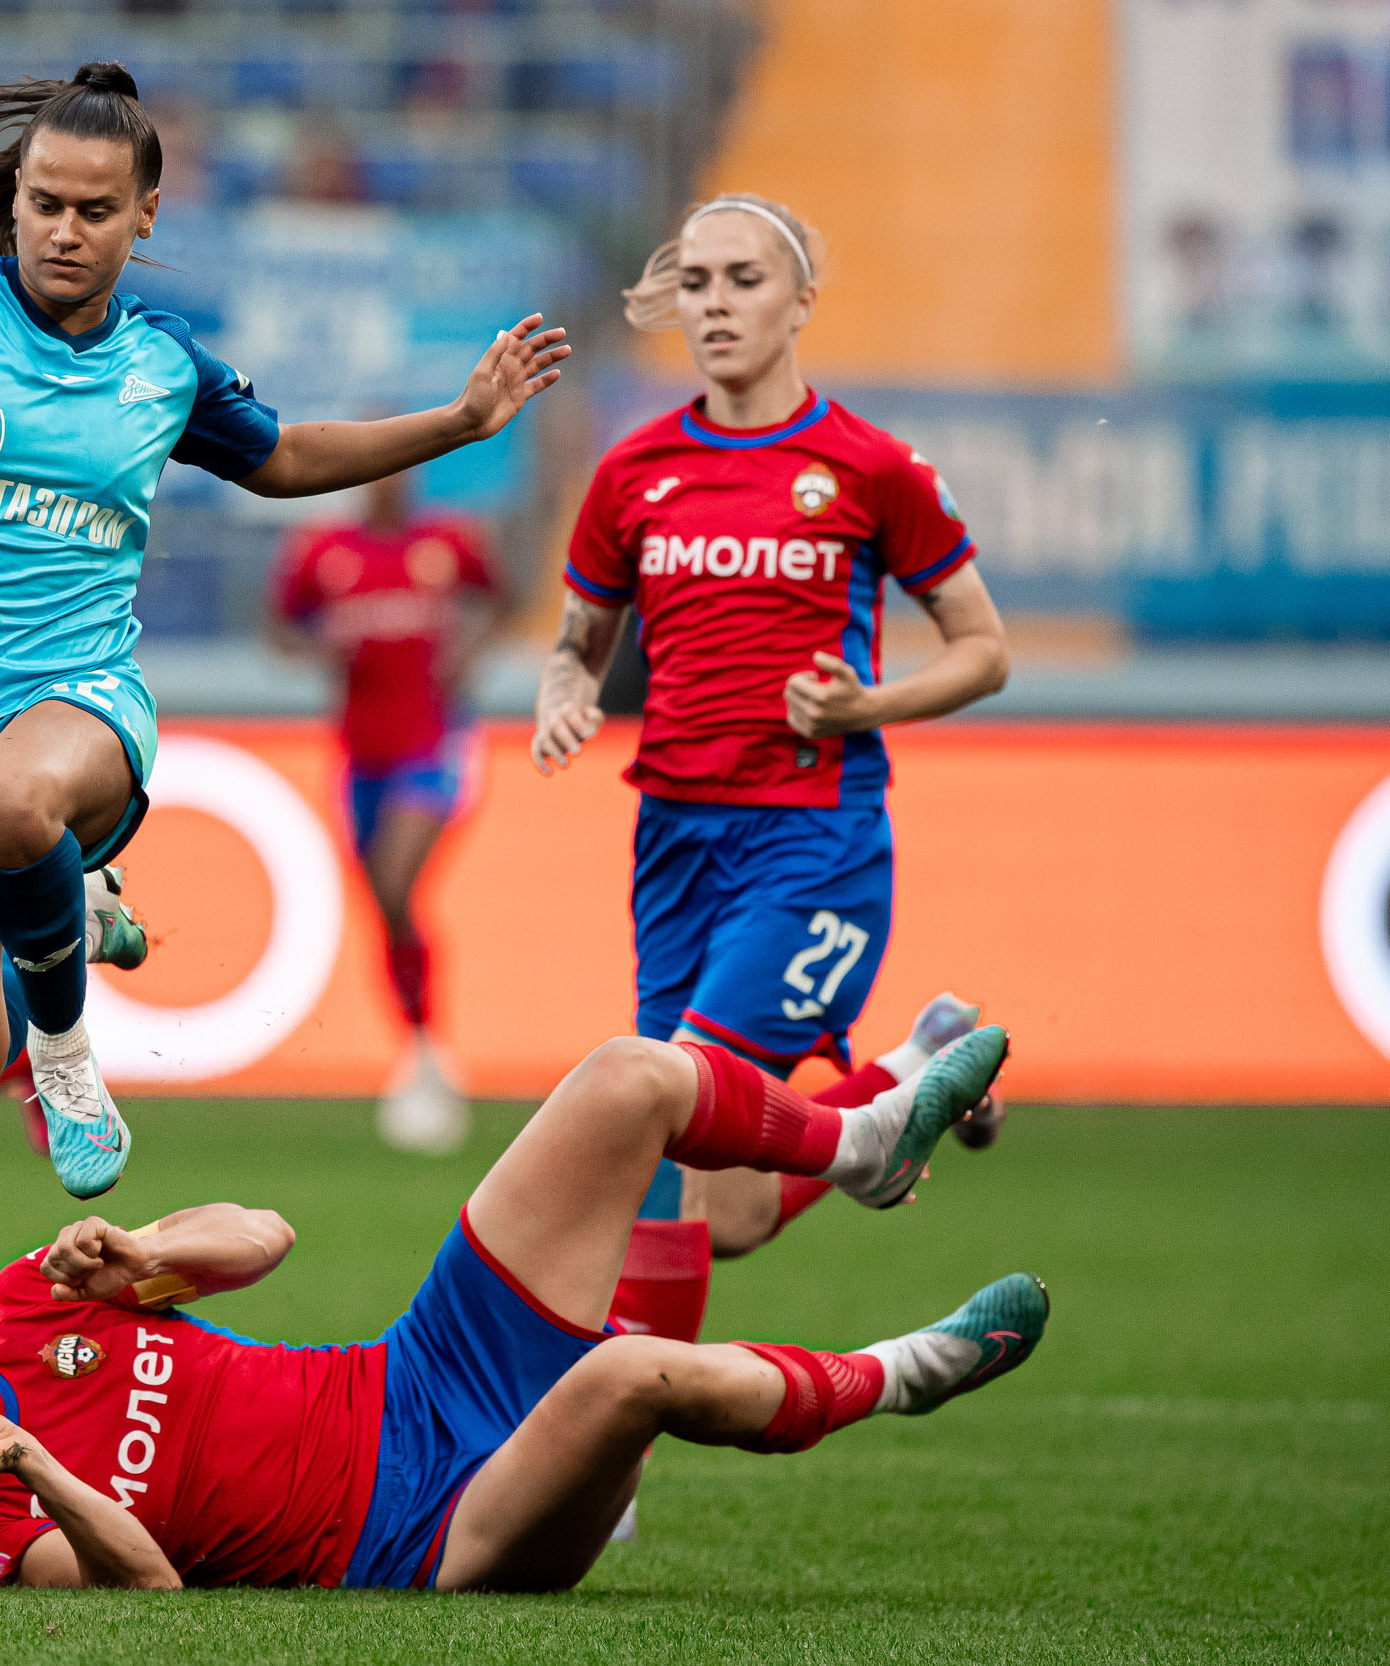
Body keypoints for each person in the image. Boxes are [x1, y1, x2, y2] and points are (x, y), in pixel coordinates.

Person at [0, 62, 570, 1201]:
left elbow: (284, 456)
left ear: (145, 214)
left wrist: (460, 420)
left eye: (95, 211)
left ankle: (63, 1052)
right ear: (16, 199)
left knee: (13, 800)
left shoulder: (160, 364)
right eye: (44, 203)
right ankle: (69, 917)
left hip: (76, 699)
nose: (63, 230)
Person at [0, 1023, 1039, 1591]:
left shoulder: (32, 1306)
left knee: (625, 1078)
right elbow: (142, 1589)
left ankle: (862, 1140)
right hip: (435, 1534)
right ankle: (910, 1371)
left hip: (415, 1372)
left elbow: (265, 1239)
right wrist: (32, 1459)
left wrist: (140, 1245)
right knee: (625, 1373)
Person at [528, 194, 1011, 1346]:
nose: (715, 305)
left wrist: (866, 703)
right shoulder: (632, 471)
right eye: (695, 283)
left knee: (655, 1105)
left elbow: (984, 651)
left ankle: (614, 1458)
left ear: (799, 301)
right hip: (674, 839)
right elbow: (575, 637)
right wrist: (563, 691)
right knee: (727, 1209)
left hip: (812, 834)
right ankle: (913, 1069)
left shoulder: (869, 466)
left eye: (743, 279)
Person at [267, 466, 503, 1155]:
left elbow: (500, 599)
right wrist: (319, 650)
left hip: (436, 745)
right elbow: (279, 626)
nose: (389, 486)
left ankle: (427, 1056)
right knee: (387, 907)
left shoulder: (448, 545)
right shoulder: (325, 556)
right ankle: (424, 1050)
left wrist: (470, 655)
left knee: (398, 883)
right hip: (361, 756)